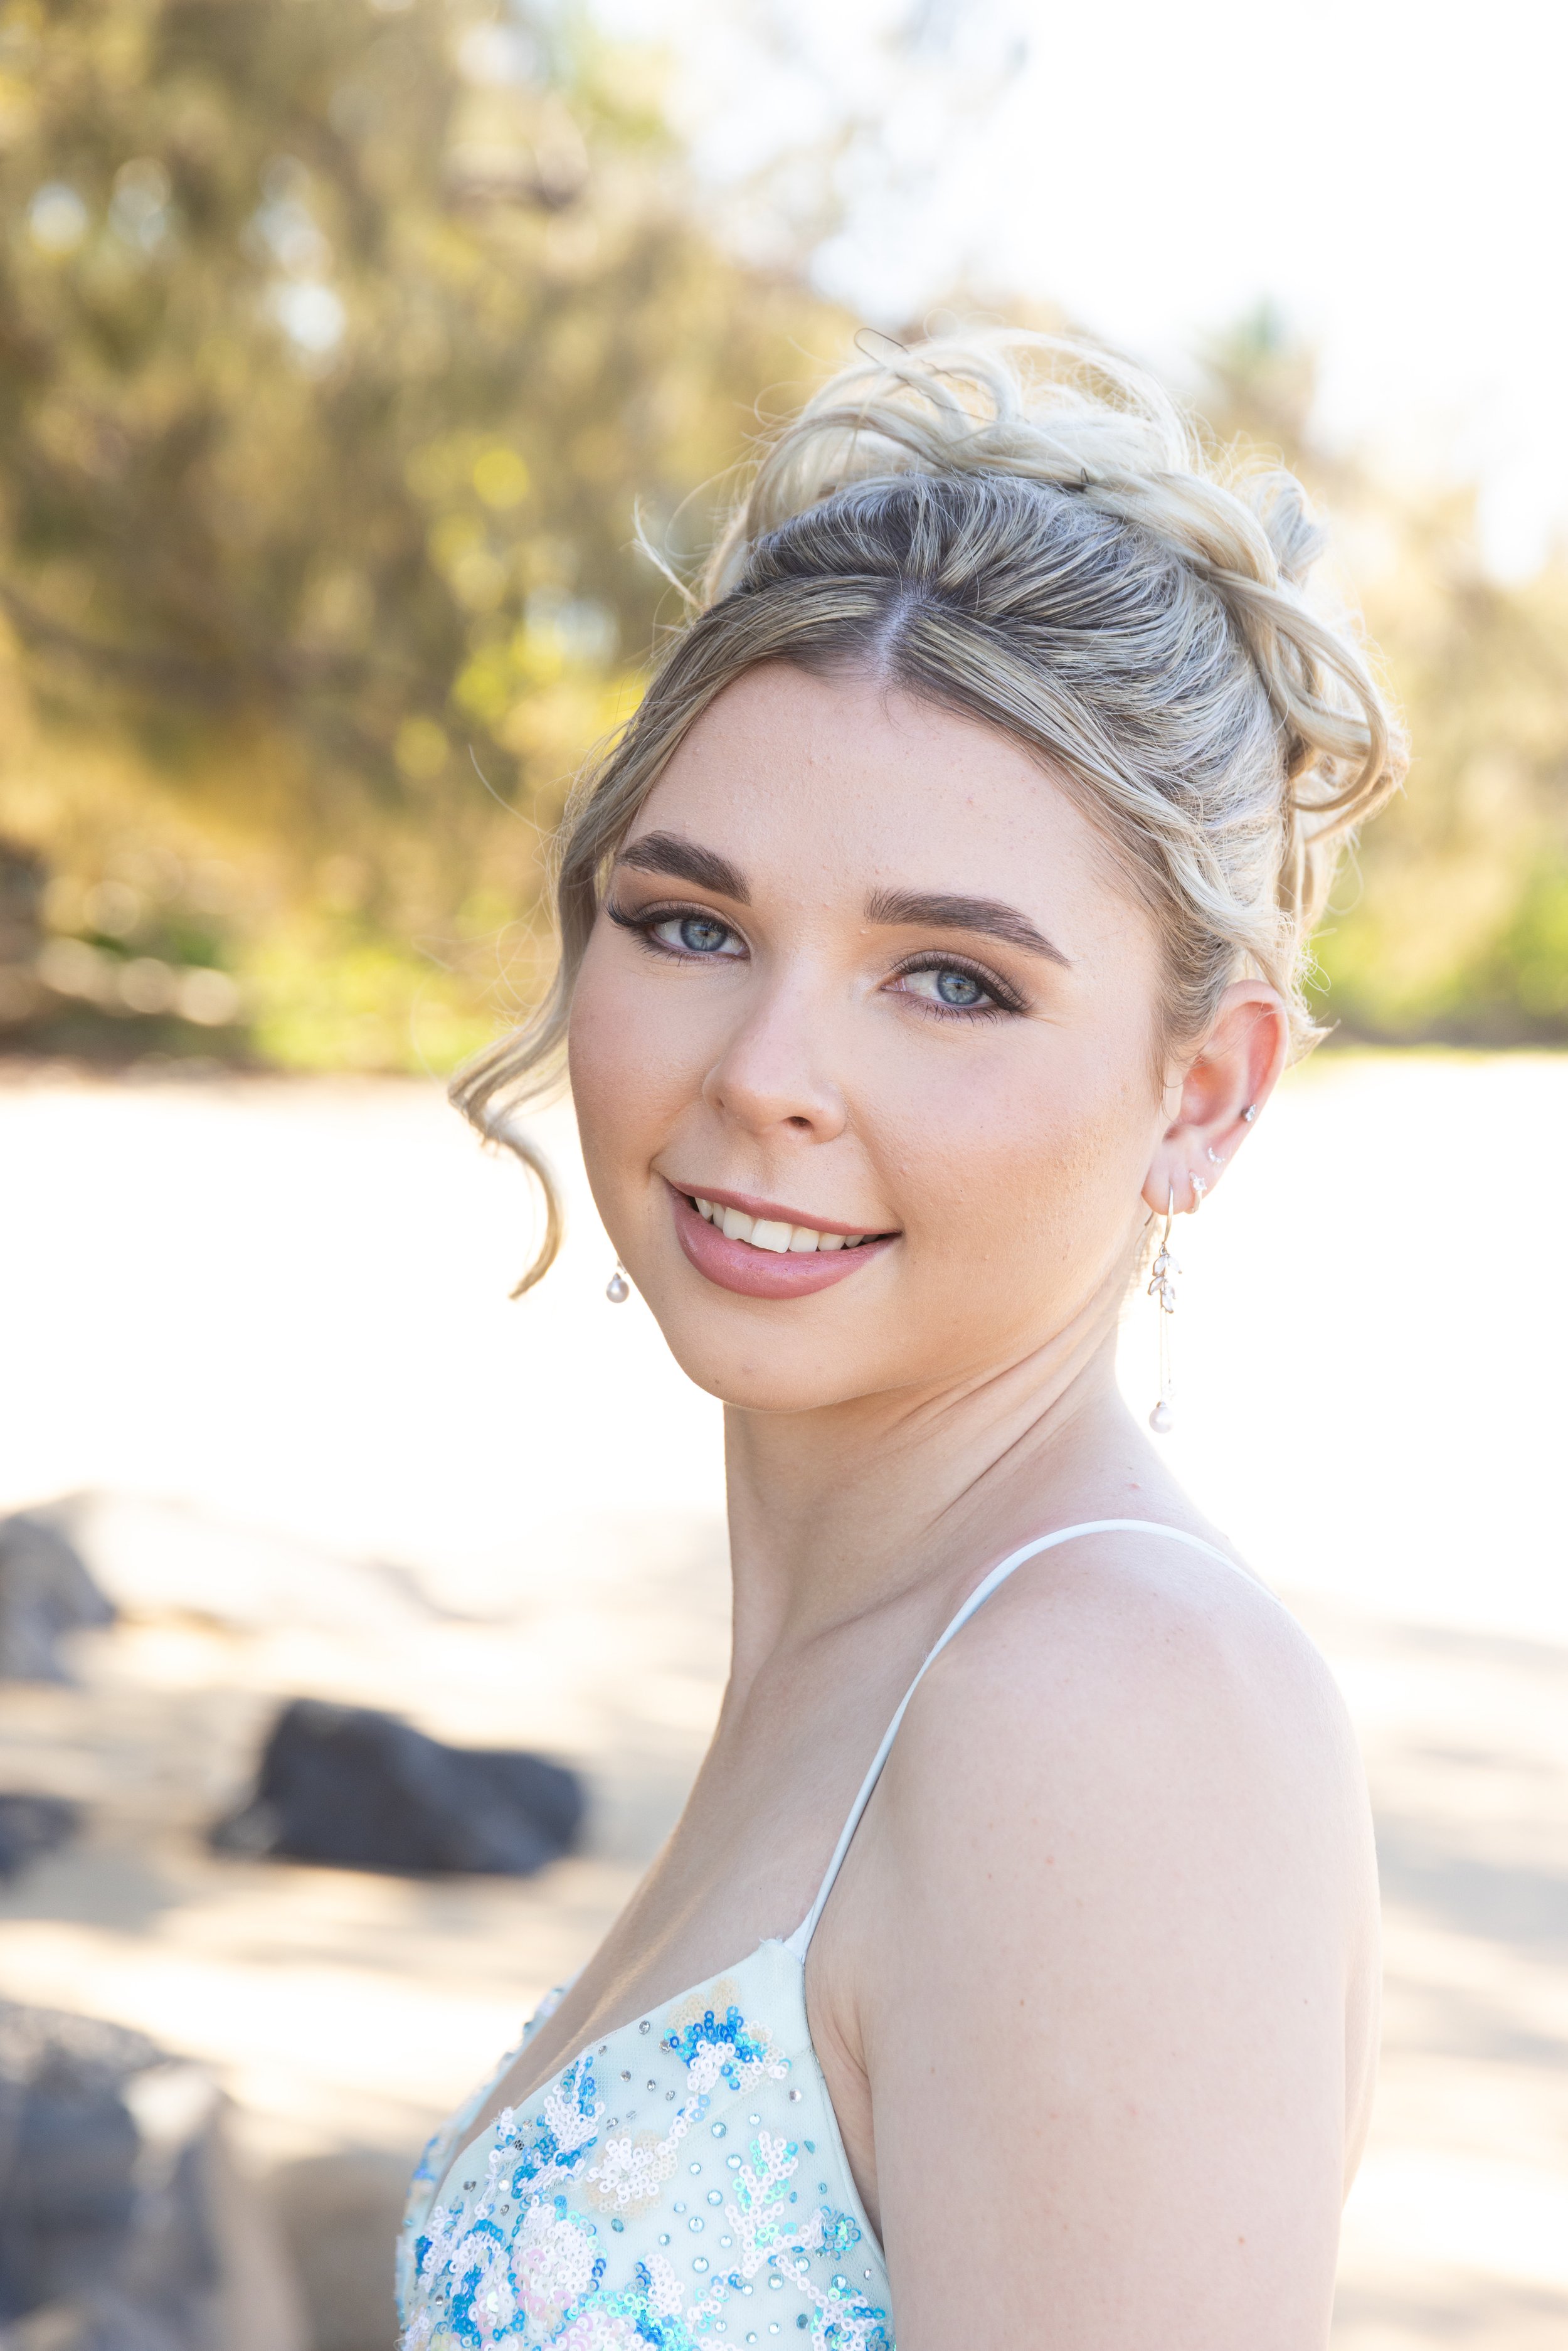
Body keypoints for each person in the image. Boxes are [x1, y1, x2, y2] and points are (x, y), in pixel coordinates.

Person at [397, 332, 1402, 2349]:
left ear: (1201, 1091)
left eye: (945, 979)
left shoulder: (1115, 1705)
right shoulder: (872, 1654)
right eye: (691, 923)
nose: (768, 1074)